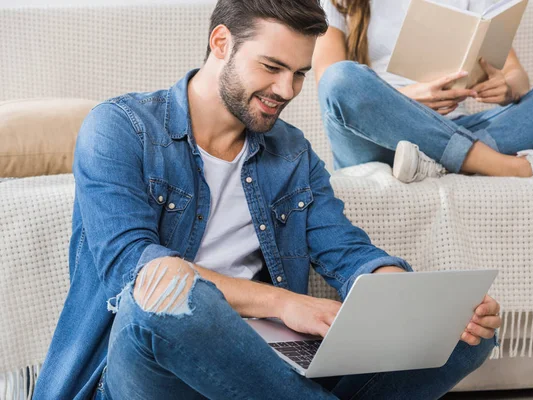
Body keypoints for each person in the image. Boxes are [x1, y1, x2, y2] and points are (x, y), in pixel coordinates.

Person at [33, 1, 502, 399]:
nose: (286, 90)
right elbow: (134, 270)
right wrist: (283, 303)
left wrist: (409, 298)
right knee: (167, 296)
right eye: (272, 67)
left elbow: (347, 252)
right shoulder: (120, 128)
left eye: (298, 73)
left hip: (261, 363)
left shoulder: (292, 153)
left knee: (465, 336)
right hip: (153, 363)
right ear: (221, 43)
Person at [314, 0, 533, 183]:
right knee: (340, 78)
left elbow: (516, 75)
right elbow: (329, 78)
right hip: (376, 139)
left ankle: (438, 162)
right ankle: (499, 165)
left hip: (459, 126)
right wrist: (409, 98)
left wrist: (507, 87)